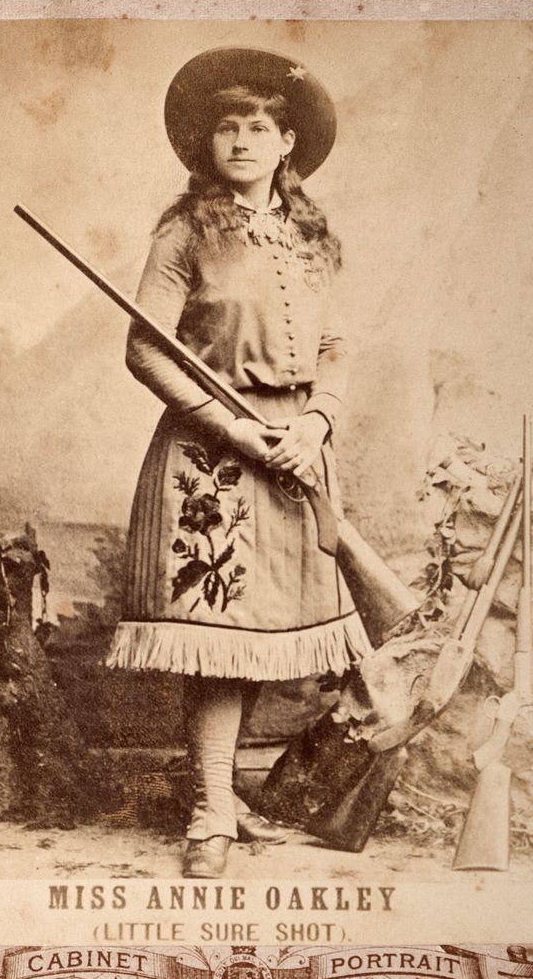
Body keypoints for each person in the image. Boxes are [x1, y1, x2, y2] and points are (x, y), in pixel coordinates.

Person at [106, 47, 370, 877]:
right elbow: (145, 350)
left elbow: (335, 346)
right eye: (228, 127)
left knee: (257, 637)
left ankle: (220, 791)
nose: (243, 141)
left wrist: (316, 423)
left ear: (288, 143)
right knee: (220, 639)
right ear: (207, 143)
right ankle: (211, 811)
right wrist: (236, 430)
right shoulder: (185, 233)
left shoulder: (311, 237)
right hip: (211, 462)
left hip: (297, 454)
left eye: (260, 127)